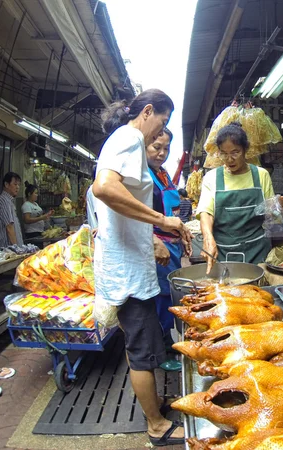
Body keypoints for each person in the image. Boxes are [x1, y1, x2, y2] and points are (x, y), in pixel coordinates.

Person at [92, 89, 191, 446]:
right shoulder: (130, 138)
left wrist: (152, 232)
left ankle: (155, 405)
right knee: (141, 352)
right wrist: (162, 221)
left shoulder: (124, 140)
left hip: (129, 266)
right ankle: (156, 426)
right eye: (161, 122)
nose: (159, 133)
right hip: (127, 273)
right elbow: (103, 188)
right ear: (148, 112)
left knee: (145, 345)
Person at [196, 122, 274, 273]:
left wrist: (279, 208)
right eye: (224, 153)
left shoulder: (261, 175)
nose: (229, 159)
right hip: (224, 252)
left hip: (257, 250)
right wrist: (208, 238)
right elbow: (206, 212)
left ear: (246, 150)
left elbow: (270, 214)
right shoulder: (212, 177)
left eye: (235, 152)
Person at [146, 128, 184, 371]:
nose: (161, 153)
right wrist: (155, 241)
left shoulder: (163, 174)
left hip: (172, 246)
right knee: (160, 300)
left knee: (169, 296)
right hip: (156, 247)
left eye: (166, 148)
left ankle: (168, 343)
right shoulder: (142, 175)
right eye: (156, 146)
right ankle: (160, 354)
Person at [0, 172, 23, 248]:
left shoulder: (9, 201)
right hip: (8, 250)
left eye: (18, 185)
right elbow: (9, 228)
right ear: (6, 184)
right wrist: (17, 249)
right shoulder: (4, 201)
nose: (17, 187)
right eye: (15, 184)